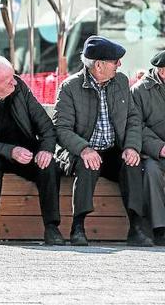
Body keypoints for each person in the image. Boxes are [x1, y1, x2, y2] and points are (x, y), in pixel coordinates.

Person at [54, 36, 152, 247]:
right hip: (81, 151)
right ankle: (78, 227)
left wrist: (131, 147)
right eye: (115, 61)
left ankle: (136, 227)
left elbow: (133, 119)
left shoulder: (121, 81)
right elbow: (61, 129)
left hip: (113, 149)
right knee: (88, 164)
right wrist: (84, 149)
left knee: (133, 164)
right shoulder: (69, 87)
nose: (119, 64)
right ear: (98, 65)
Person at [0, 55, 64, 245]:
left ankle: (52, 227)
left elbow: (46, 127)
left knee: (50, 165)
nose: (14, 83)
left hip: (25, 149)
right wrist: (11, 151)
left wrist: (46, 150)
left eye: (14, 77)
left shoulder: (20, 88)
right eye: (8, 81)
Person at [131, 51, 165, 246]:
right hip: (155, 152)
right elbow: (136, 127)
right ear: (162, 71)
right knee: (152, 170)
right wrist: (160, 148)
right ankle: (160, 229)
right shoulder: (140, 91)